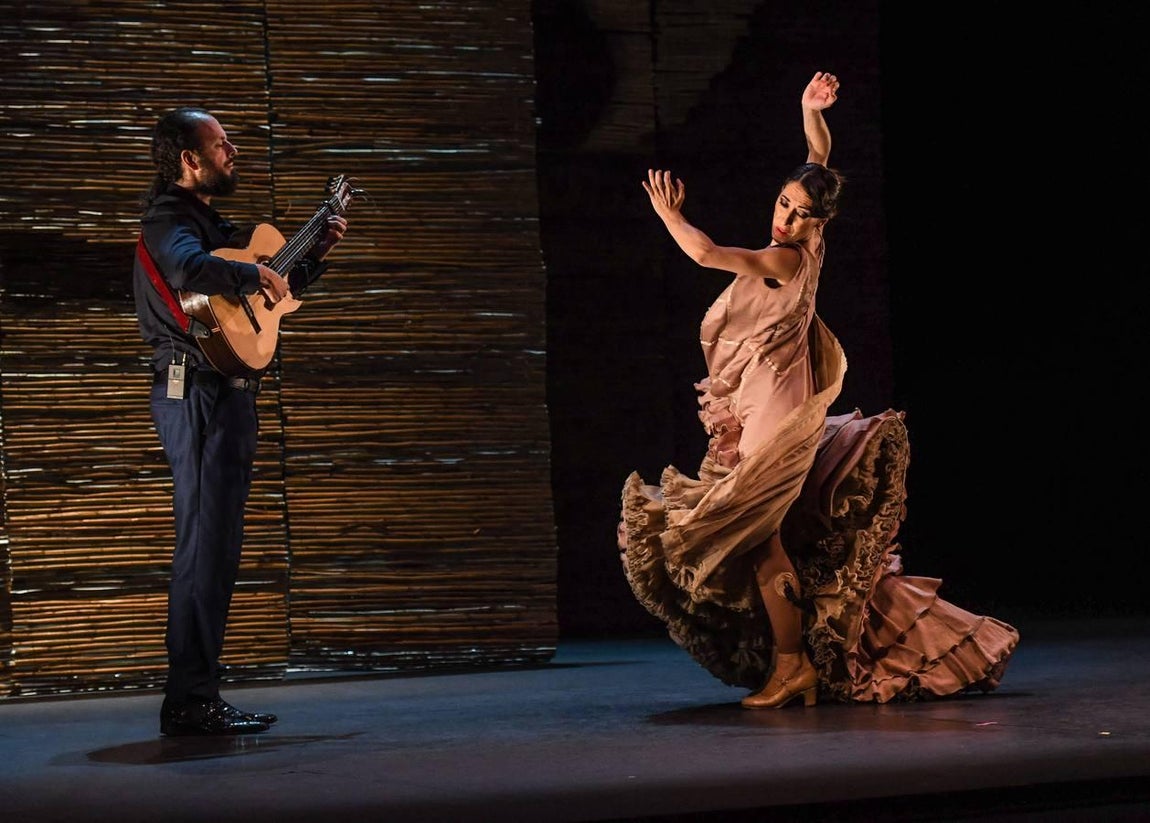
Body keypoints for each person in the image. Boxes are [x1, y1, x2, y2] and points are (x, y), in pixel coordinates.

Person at [619, 71, 1018, 708]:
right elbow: (819, 158)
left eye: (801, 214)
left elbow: (706, 255)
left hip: (776, 421)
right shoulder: (812, 232)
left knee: (760, 542)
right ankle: (794, 663)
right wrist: (811, 110)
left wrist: (670, 214)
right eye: (784, 204)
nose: (787, 219)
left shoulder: (787, 259)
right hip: (767, 405)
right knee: (765, 544)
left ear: (818, 222)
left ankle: (793, 666)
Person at [134, 106, 348, 735]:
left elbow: (266, 292)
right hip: (195, 393)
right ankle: (189, 700)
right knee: (204, 546)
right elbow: (187, 270)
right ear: (189, 159)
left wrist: (312, 254)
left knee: (218, 546)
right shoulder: (169, 218)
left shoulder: (211, 223)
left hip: (225, 393)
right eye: (221, 144)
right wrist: (252, 270)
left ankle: (196, 694)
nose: (233, 152)